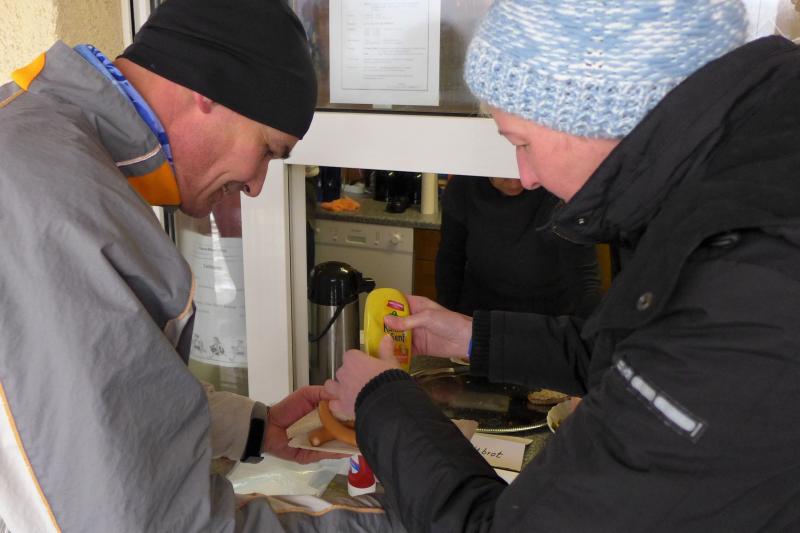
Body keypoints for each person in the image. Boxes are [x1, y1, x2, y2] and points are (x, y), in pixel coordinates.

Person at [326, 1, 800, 531]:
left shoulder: (749, 274)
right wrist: (471, 336)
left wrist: (382, 400)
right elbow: (637, 348)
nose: (526, 176)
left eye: (521, 142)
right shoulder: (741, 169)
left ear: (597, 110)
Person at [0, 1, 402, 531]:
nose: (256, 185)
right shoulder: (61, 206)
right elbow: (147, 521)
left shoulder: (37, 136)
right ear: (209, 86)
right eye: (268, 149)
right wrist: (391, 521)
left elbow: (79, 412)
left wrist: (245, 427)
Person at [436, 175, 601, 317]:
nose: (515, 182)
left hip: (550, 317)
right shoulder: (463, 187)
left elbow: (583, 277)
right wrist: (448, 318)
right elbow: (450, 262)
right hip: (480, 314)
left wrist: (587, 334)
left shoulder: (561, 189)